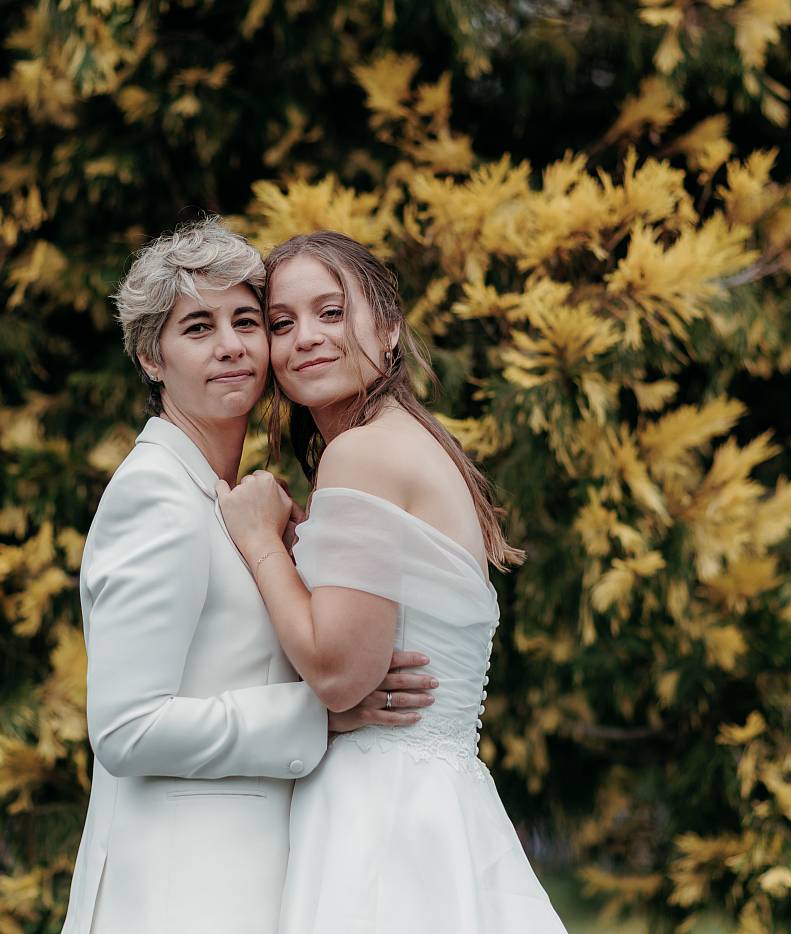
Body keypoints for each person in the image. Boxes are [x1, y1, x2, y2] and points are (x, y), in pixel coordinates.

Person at [62, 218, 435, 934]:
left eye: (245, 321)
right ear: (150, 357)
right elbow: (126, 728)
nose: (232, 345)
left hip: (239, 885)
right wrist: (318, 716)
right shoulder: (156, 495)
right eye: (198, 328)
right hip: (176, 895)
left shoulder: (234, 500)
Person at [217, 230, 569, 932]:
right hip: (438, 804)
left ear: (389, 327)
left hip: (379, 814)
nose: (305, 338)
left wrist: (261, 546)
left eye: (330, 311)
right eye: (282, 323)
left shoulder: (364, 454)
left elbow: (340, 671)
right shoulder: (415, 441)